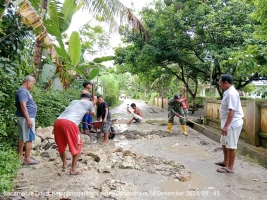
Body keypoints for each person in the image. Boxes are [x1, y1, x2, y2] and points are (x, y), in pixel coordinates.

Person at [54, 93, 95, 175]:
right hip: (70, 123)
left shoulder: (74, 101)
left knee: (61, 145)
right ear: (89, 99)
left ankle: (65, 164)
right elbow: (93, 114)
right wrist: (94, 103)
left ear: (81, 98)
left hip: (58, 121)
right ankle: (73, 169)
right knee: (78, 145)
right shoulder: (89, 103)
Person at [216, 74, 244, 174]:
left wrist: (227, 126)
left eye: (220, 82)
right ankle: (225, 161)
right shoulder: (227, 92)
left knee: (231, 145)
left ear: (226, 82)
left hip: (232, 124)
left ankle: (230, 167)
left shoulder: (232, 93)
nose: (219, 84)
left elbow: (232, 110)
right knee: (224, 142)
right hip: (227, 123)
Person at [15, 75, 39, 165]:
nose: (32, 86)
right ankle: (27, 159)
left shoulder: (23, 91)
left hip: (24, 117)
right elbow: (22, 105)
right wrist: (28, 119)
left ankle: (20, 156)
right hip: (26, 118)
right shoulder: (22, 91)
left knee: (22, 137)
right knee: (29, 138)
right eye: (32, 84)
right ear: (28, 82)